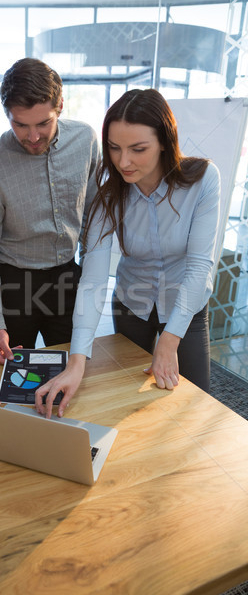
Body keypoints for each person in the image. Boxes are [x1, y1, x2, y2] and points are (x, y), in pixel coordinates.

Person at [36, 88, 220, 418]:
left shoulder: (203, 180)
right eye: (115, 148)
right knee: (128, 405)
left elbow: (199, 268)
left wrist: (169, 340)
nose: (123, 162)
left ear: (164, 141)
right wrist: (77, 359)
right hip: (131, 305)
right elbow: (92, 279)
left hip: (186, 307)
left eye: (138, 149)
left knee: (195, 406)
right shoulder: (110, 195)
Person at [0, 57, 99, 364]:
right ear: (7, 115)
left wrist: (91, 283)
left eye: (43, 123)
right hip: (15, 287)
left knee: (76, 371)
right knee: (17, 382)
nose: (32, 136)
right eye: (20, 124)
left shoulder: (86, 141)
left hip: (68, 277)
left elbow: (94, 219)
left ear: (61, 106)